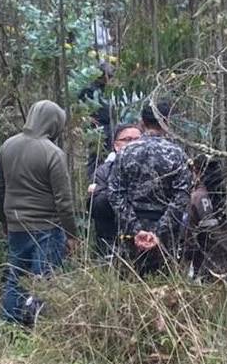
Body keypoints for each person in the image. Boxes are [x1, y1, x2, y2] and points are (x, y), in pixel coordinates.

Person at [0, 100, 78, 326]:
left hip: (16, 226)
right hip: (47, 229)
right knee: (44, 281)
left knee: (15, 279)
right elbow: (63, 201)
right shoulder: (53, 153)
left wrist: (4, 221)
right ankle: (38, 328)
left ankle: (10, 328)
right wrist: (72, 234)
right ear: (55, 123)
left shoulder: (7, 146)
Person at [108, 101, 192, 276]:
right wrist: (158, 231)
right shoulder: (178, 154)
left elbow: (115, 194)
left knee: (129, 281)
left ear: (142, 122)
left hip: (130, 230)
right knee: (164, 283)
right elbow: (181, 197)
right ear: (166, 122)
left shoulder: (125, 152)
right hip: (166, 232)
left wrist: (135, 229)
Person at [184, 155, 227, 282]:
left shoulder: (196, 198)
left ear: (197, 172)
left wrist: (188, 261)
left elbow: (189, 240)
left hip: (210, 271)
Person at [88, 122, 142, 255]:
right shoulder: (103, 171)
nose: (133, 144)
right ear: (116, 145)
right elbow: (96, 205)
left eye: (138, 139)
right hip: (112, 242)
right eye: (127, 140)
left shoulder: (156, 168)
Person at [78, 60, 115, 178]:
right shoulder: (89, 89)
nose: (110, 79)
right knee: (95, 156)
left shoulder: (107, 90)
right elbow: (79, 107)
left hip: (109, 126)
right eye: (109, 76)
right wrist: (87, 118)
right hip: (96, 128)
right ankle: (92, 179)